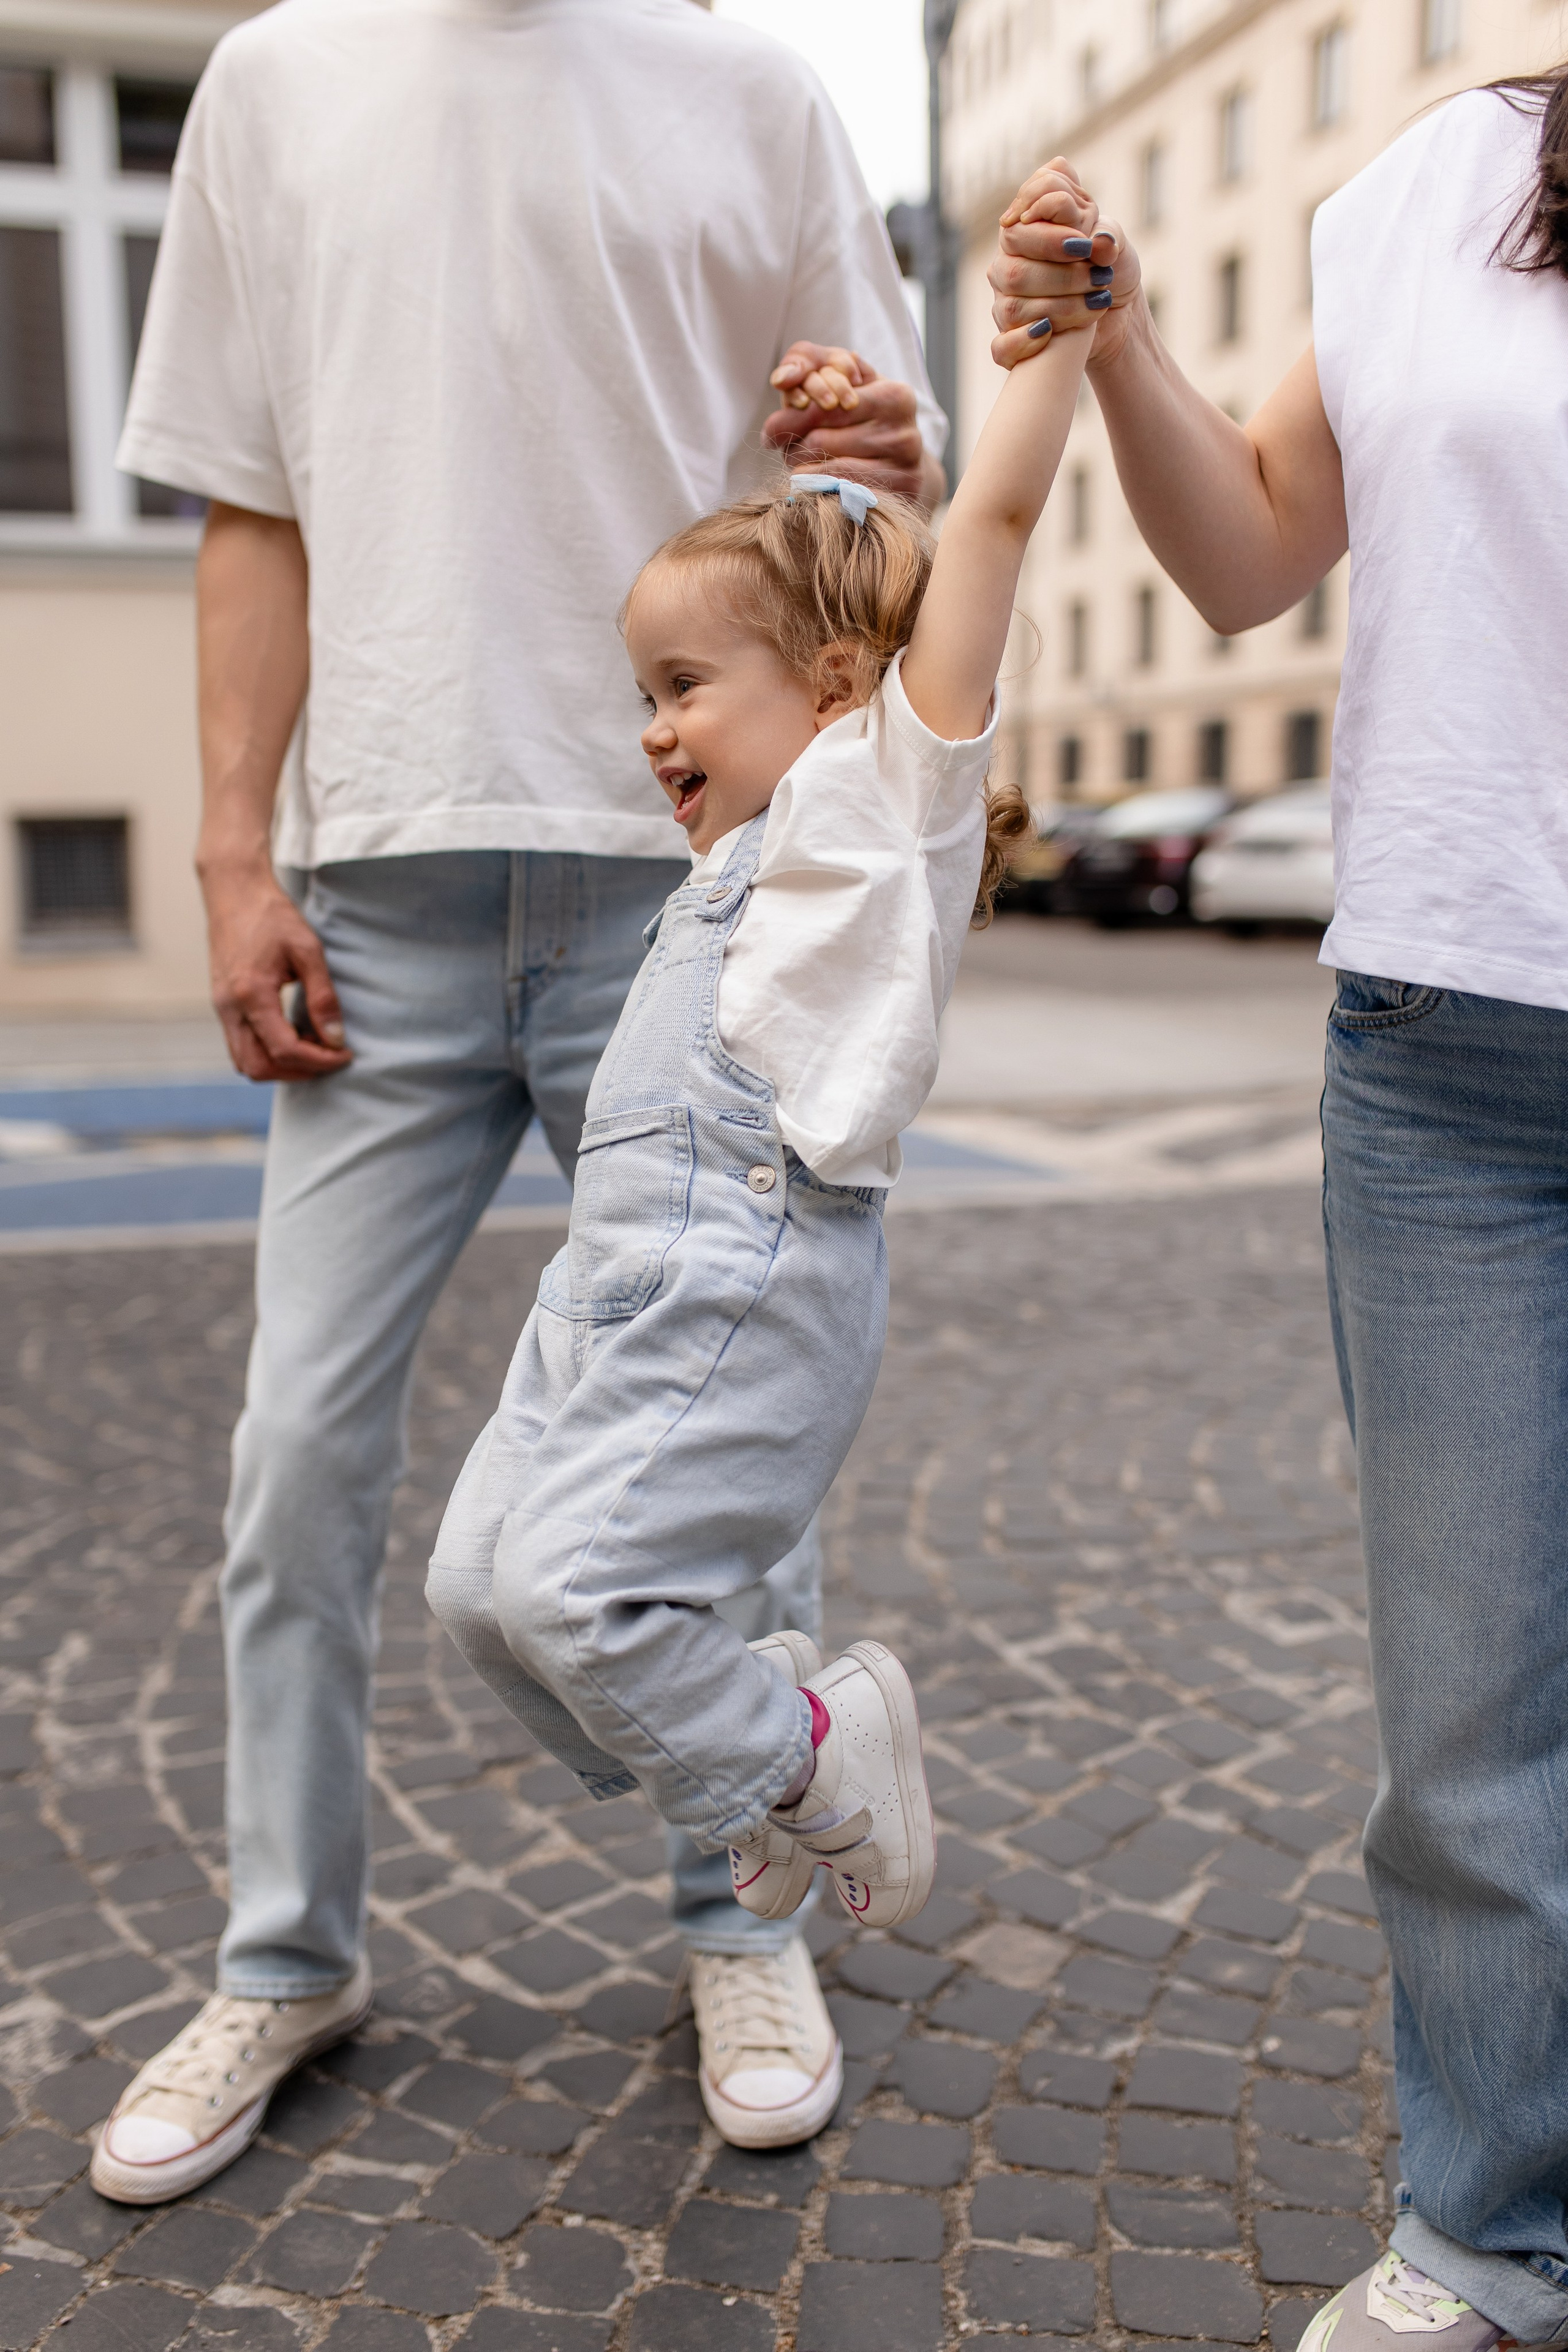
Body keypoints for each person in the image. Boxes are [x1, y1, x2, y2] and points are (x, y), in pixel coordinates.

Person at [90, 0, 952, 2204]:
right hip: (374, 876)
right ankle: (287, 1959)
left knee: (719, 1441)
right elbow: (251, 506)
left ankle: (743, 1918)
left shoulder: (755, 91)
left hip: (688, 879)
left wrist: (883, 444)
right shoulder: (276, 81)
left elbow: (866, 508)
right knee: (299, 1450)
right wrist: (224, 850)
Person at [426, 167, 1107, 2146]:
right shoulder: (723, 866)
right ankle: (763, 1763)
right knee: (481, 1591)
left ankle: (810, 1747)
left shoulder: (879, 807)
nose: (652, 733)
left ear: (830, 688)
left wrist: (1051, 334)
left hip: (745, 1278)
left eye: (682, 688)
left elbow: (978, 523)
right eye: (643, 691)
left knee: (573, 1595)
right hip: (607, 1284)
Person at [990, 73, 1568, 2352]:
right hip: (1442, 1051)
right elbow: (1241, 556)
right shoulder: (1439, 175)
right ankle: (1497, 2229)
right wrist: (1124, 339)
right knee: (1472, 1729)